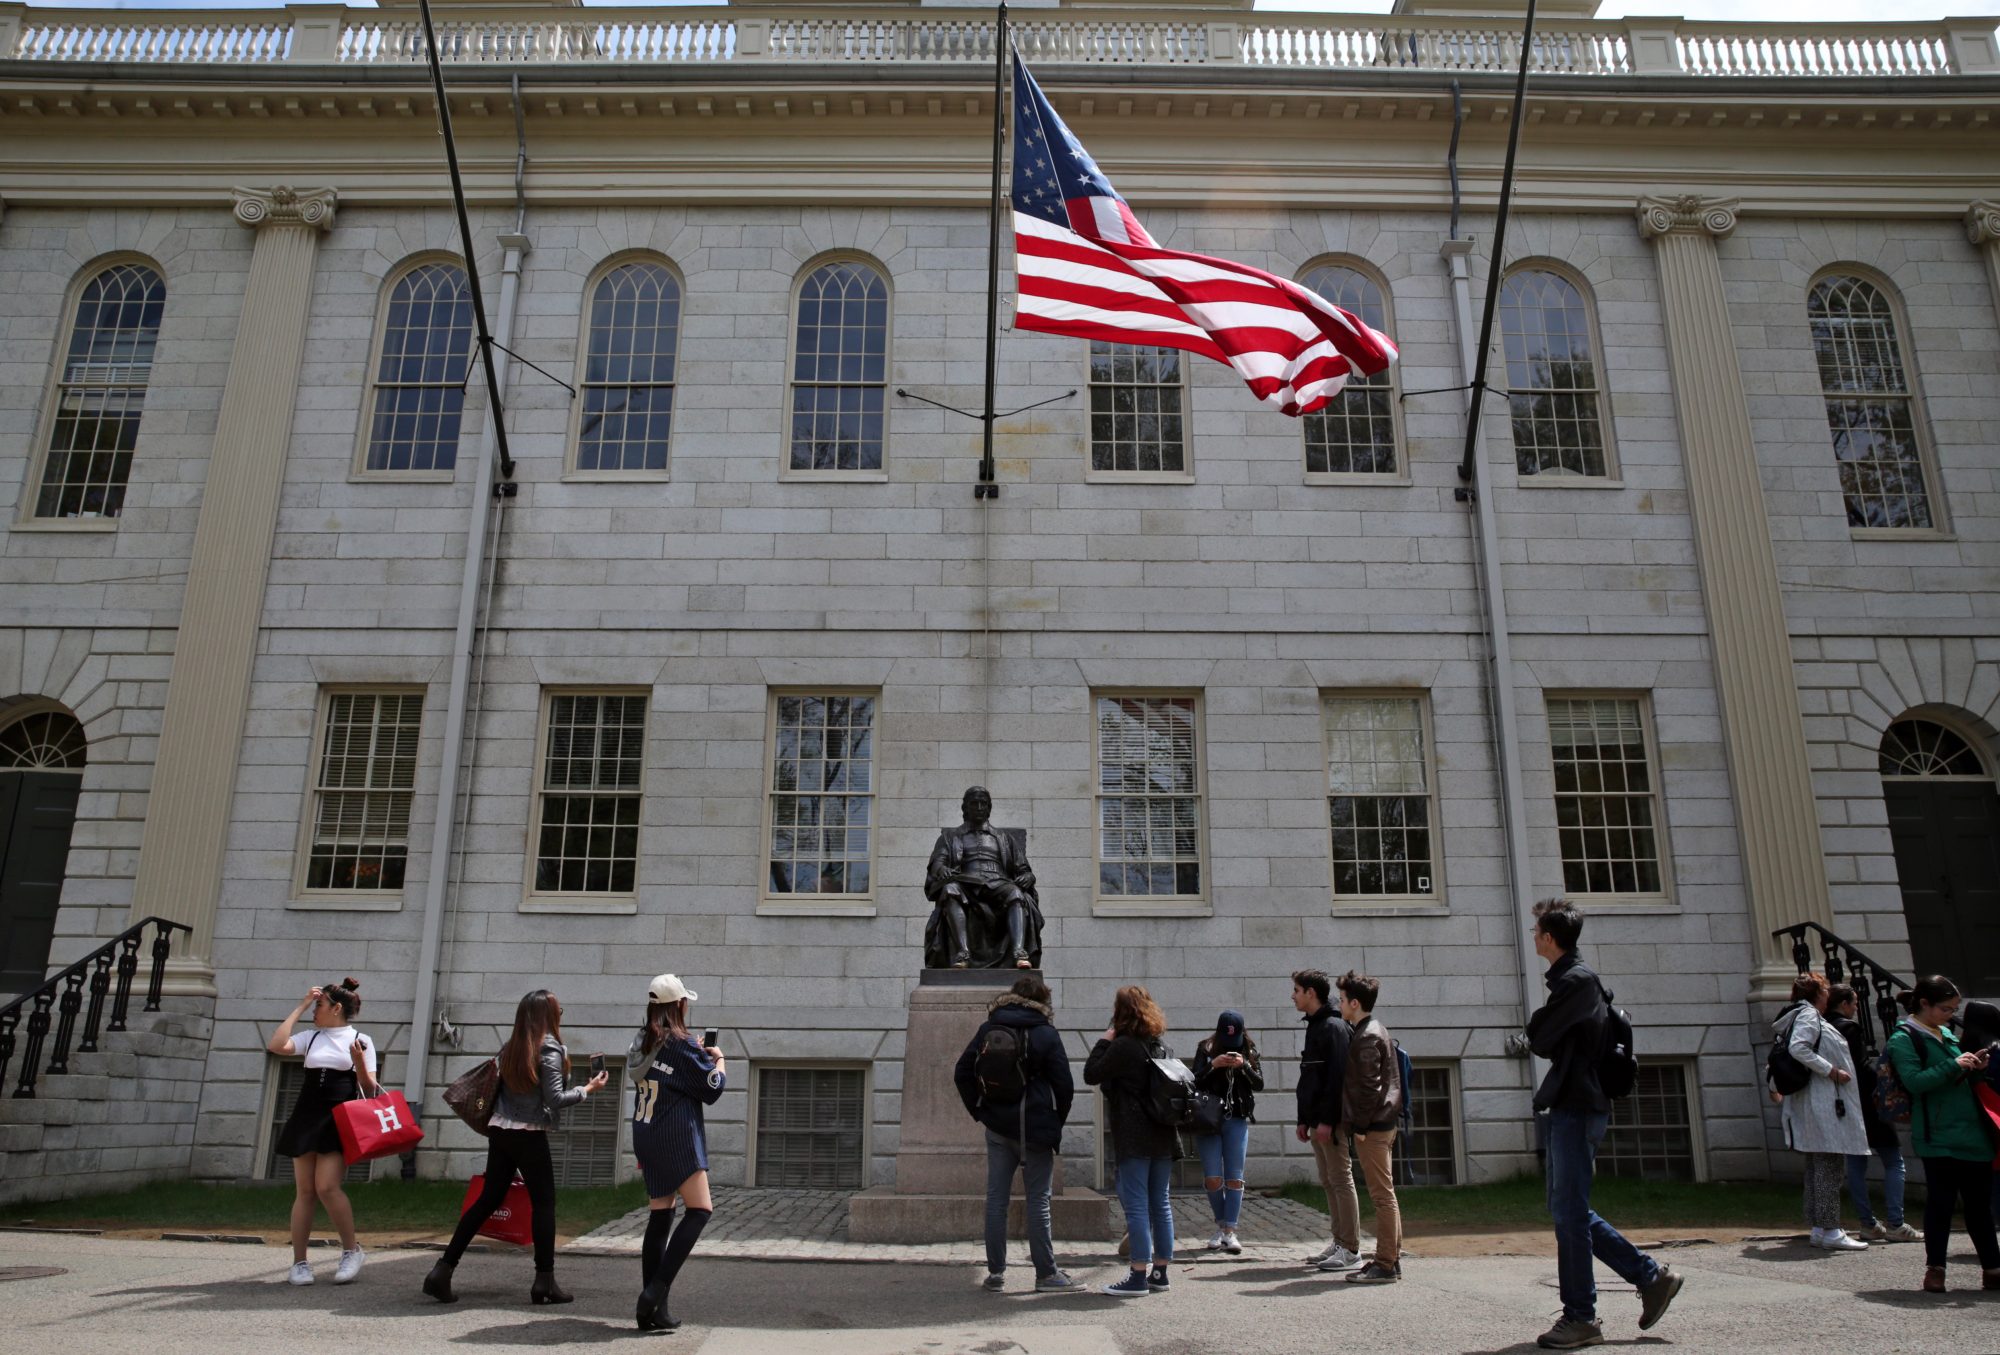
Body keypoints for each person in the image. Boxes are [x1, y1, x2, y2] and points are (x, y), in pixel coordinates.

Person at [1525, 899, 1683, 1350]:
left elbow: (1539, 1036)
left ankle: (1581, 1318)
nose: (1533, 936)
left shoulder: (1577, 981)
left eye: (1537, 930)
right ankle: (1650, 1277)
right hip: (1570, 1104)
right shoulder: (1571, 981)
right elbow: (1545, 1034)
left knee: (1570, 1212)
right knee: (1566, 1210)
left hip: (1579, 1104)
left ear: (1551, 938)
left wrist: (1541, 1027)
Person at [424, 988, 608, 1306]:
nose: (560, 1016)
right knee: (544, 1204)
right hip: (529, 1134)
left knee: (487, 1201)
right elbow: (556, 1099)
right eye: (559, 1011)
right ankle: (544, 1281)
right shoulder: (548, 1049)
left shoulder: (511, 1046)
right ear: (548, 1017)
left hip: (501, 1130)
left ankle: (442, 1271)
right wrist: (588, 1088)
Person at [953, 973, 1082, 1293]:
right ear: (1042, 1001)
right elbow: (1065, 1085)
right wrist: (1056, 1122)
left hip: (997, 1125)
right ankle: (1046, 1274)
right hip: (1036, 1127)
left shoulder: (990, 1027)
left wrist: (980, 1111)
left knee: (996, 1199)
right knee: (1038, 1200)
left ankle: (995, 1274)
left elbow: (961, 1072)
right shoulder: (1046, 1034)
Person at [1884, 974, 2000, 1294]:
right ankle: (1935, 1270)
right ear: (1924, 1004)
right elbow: (1915, 1082)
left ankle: (1993, 1269)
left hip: (1972, 1132)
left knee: (1979, 1207)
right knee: (1941, 1205)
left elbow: (1957, 1077)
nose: (1952, 1014)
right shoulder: (1904, 1038)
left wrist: (1974, 1066)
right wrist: (1955, 1065)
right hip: (1938, 1135)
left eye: (1954, 1008)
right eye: (1946, 1009)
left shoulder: (1945, 1032)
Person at [628, 974, 727, 1330]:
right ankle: (654, 1292)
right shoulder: (681, 1044)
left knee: (661, 1215)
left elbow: (674, 1075)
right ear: (680, 1005)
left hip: (646, 1132)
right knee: (700, 1210)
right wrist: (718, 1060)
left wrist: (695, 1055)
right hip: (675, 1136)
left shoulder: (643, 1041)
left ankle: (654, 1312)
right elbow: (712, 1089)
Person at [266, 977, 379, 1287]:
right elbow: (276, 1046)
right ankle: (300, 1263)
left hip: (337, 1117)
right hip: (306, 1114)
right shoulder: (311, 1037)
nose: (315, 1011)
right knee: (304, 1191)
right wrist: (301, 1006)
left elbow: (369, 1089)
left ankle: (351, 1251)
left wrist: (357, 1062)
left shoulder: (361, 1039)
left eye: (318, 1005)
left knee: (327, 1187)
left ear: (336, 1008)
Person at [1085, 985, 1178, 1297]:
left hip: (1135, 1135)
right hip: (1163, 1133)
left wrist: (1104, 1038)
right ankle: (1160, 1273)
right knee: (1161, 1204)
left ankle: (1138, 1275)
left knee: (1137, 1206)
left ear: (1120, 1012)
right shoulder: (1158, 1045)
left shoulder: (1124, 1045)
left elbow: (1091, 1073)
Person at [1773, 972, 1870, 1250]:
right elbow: (1799, 1048)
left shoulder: (1798, 1016)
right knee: (1829, 1165)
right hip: (1822, 1101)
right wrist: (1832, 1071)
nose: (1829, 995)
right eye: (1825, 990)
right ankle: (1829, 1228)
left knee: (1819, 1165)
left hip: (1814, 1101)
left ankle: (1819, 1226)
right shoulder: (1808, 1016)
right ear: (1817, 993)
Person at [1827, 983, 1915, 1242]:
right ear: (1844, 1004)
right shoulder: (1849, 1028)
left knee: (1855, 1163)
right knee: (1894, 1161)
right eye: (1854, 1003)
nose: (1856, 1007)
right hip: (1866, 1102)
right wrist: (1882, 1082)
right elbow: (1859, 1066)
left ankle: (1867, 1222)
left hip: (1842, 1102)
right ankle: (1895, 1222)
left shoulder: (1822, 1028)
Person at [1292, 968, 1362, 1274]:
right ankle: (1339, 1241)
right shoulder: (1316, 1026)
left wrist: (1327, 1121)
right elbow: (1310, 1077)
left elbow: (1338, 1080)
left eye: (1296, 990)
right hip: (1316, 1120)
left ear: (1311, 993)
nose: (1293, 996)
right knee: (1328, 1180)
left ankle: (1351, 1248)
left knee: (1341, 1179)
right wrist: (1303, 1119)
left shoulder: (1333, 1027)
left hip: (1330, 1122)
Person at [1336, 972, 1402, 1284]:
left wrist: (1360, 1126)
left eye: (1342, 998)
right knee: (1385, 1194)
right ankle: (1390, 1259)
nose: (1339, 1004)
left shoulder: (1367, 1037)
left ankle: (1386, 1264)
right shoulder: (1372, 1031)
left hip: (1374, 1126)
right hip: (1381, 1123)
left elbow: (1369, 1088)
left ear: (1355, 1003)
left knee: (1382, 1195)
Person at [1190, 1009, 1262, 1254]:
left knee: (1234, 1176)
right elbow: (1193, 1081)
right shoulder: (1206, 1048)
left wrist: (1244, 1067)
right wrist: (1213, 1065)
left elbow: (1260, 1083)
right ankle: (1221, 1225)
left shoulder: (1249, 1049)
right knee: (1213, 1177)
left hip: (1237, 1118)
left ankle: (1229, 1230)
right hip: (1209, 1119)